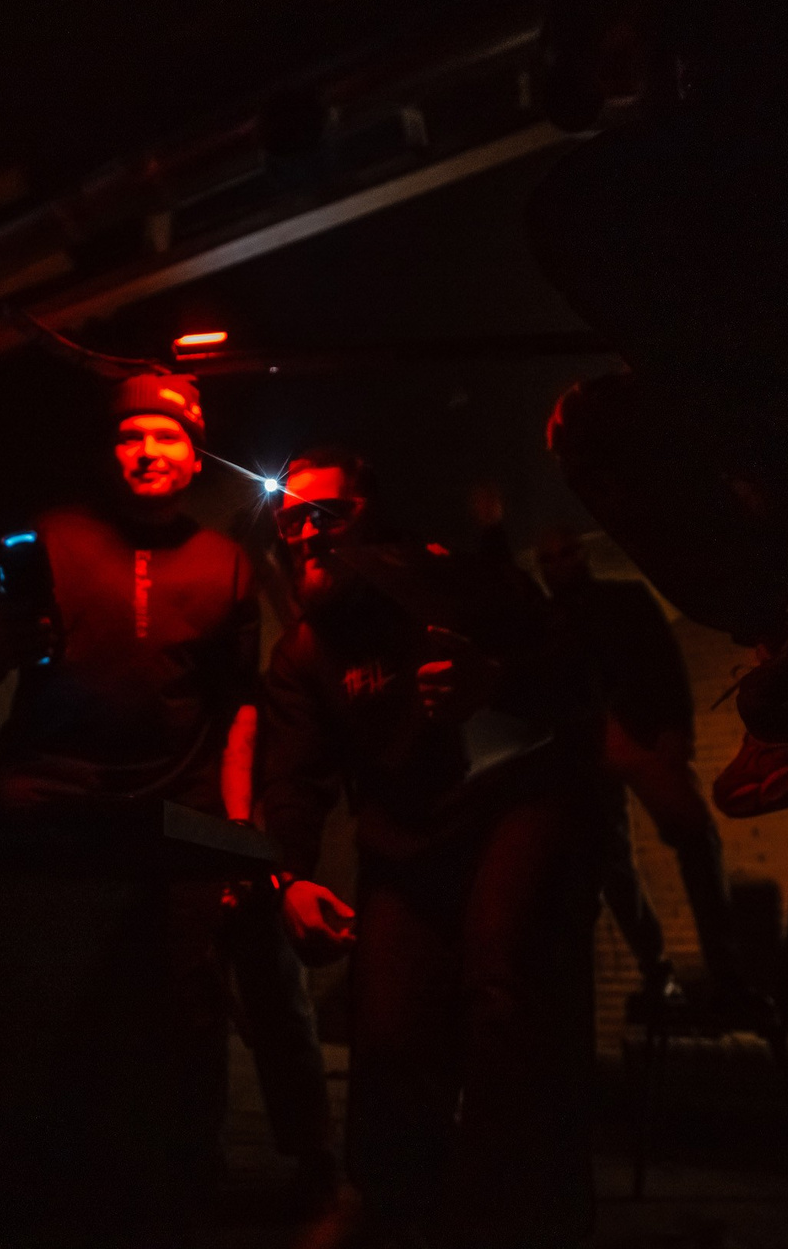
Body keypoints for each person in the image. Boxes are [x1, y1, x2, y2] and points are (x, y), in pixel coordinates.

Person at [260, 447, 607, 1249]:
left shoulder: (456, 579)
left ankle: (515, 1215)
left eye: (328, 513)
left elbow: (575, 670)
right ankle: (392, 1205)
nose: (307, 532)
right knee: (386, 1027)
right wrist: (288, 878)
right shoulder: (304, 652)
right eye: (291, 519)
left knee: (504, 989)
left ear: (370, 514)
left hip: (515, 805)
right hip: (407, 836)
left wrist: (495, 681)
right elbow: (294, 778)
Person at [0, 372, 265, 1243]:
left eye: (166, 437)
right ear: (112, 452)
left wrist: (232, 833)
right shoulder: (51, 535)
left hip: (171, 809)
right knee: (45, 1000)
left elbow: (237, 705)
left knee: (181, 1009)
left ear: (194, 455)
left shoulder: (228, 562)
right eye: (131, 436)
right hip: (50, 796)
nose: (146, 451)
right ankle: (34, 1196)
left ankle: (178, 1194)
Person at [533, 524, 745, 1002]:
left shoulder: (623, 599)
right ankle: (660, 970)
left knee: (693, 838)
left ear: (583, 555)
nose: (560, 564)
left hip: (639, 736)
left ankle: (723, 972)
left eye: (567, 552)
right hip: (587, 751)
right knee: (614, 864)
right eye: (549, 558)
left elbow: (663, 658)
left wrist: (675, 727)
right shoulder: (547, 620)